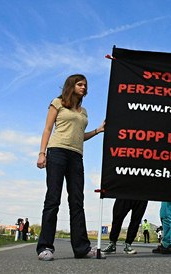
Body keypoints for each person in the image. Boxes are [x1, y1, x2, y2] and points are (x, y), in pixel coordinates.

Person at [36, 74, 104, 261]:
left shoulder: (83, 112)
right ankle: (45, 247)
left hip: (76, 156)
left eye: (85, 85)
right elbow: (48, 129)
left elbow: (80, 135)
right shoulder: (57, 103)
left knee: (77, 201)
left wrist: (98, 130)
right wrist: (42, 153)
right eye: (80, 84)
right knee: (53, 199)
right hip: (57, 152)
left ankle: (81, 248)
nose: (83, 87)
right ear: (71, 86)